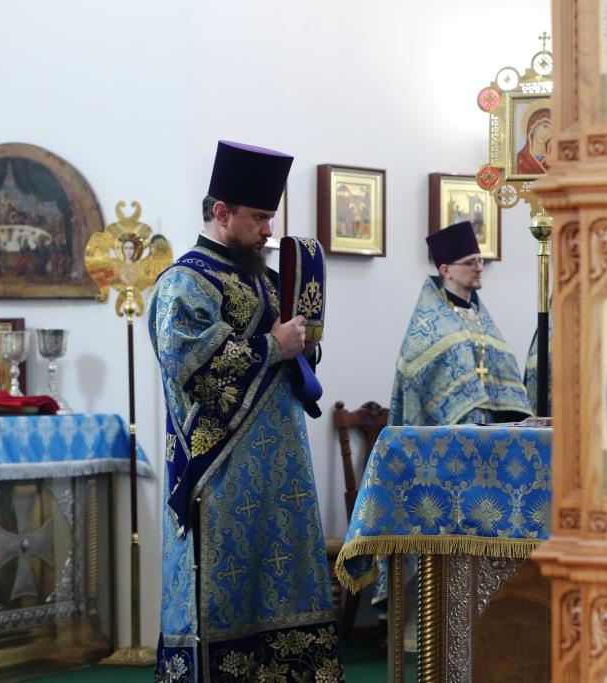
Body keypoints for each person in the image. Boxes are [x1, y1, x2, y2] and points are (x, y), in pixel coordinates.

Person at [147, 140, 342, 683]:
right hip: (220, 471)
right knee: (224, 595)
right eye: (258, 218)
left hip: (281, 473)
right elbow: (190, 363)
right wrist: (274, 345)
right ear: (221, 212)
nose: (267, 231)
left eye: (270, 219)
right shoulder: (184, 282)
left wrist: (301, 342)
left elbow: (295, 357)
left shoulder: (262, 278)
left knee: (282, 588)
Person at [390, 220, 532, 426]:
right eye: (470, 263)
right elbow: (414, 380)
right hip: (447, 433)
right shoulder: (430, 324)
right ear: (446, 270)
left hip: (492, 432)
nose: (479, 268)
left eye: (480, 261)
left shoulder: (483, 321)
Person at [515, 107, 552, 175]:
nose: (547, 134)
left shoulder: (555, 160)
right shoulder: (519, 160)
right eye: (545, 127)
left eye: (551, 131)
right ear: (533, 126)